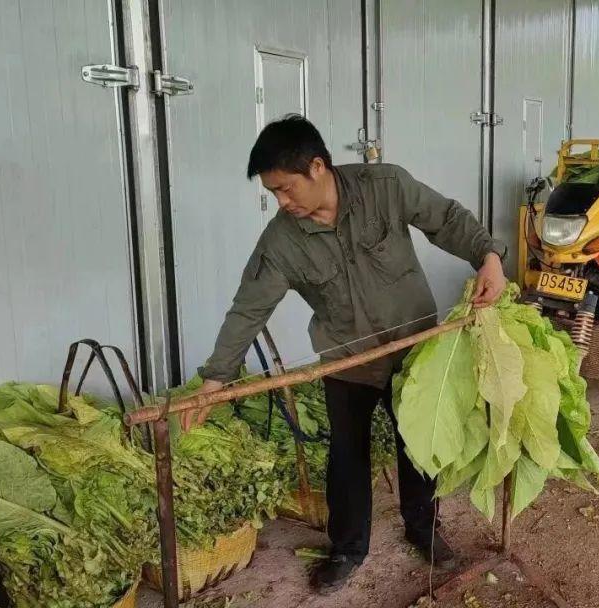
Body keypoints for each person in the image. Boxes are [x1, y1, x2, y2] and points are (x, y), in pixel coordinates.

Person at [188, 115, 506, 591]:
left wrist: (489, 258)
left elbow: (447, 219)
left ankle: (425, 529)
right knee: (346, 457)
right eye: (273, 193)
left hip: (414, 353)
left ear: (317, 167)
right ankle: (348, 549)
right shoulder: (281, 242)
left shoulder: (385, 186)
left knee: (421, 446)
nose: (281, 201)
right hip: (347, 362)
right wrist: (216, 378)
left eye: (285, 188)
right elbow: (247, 310)